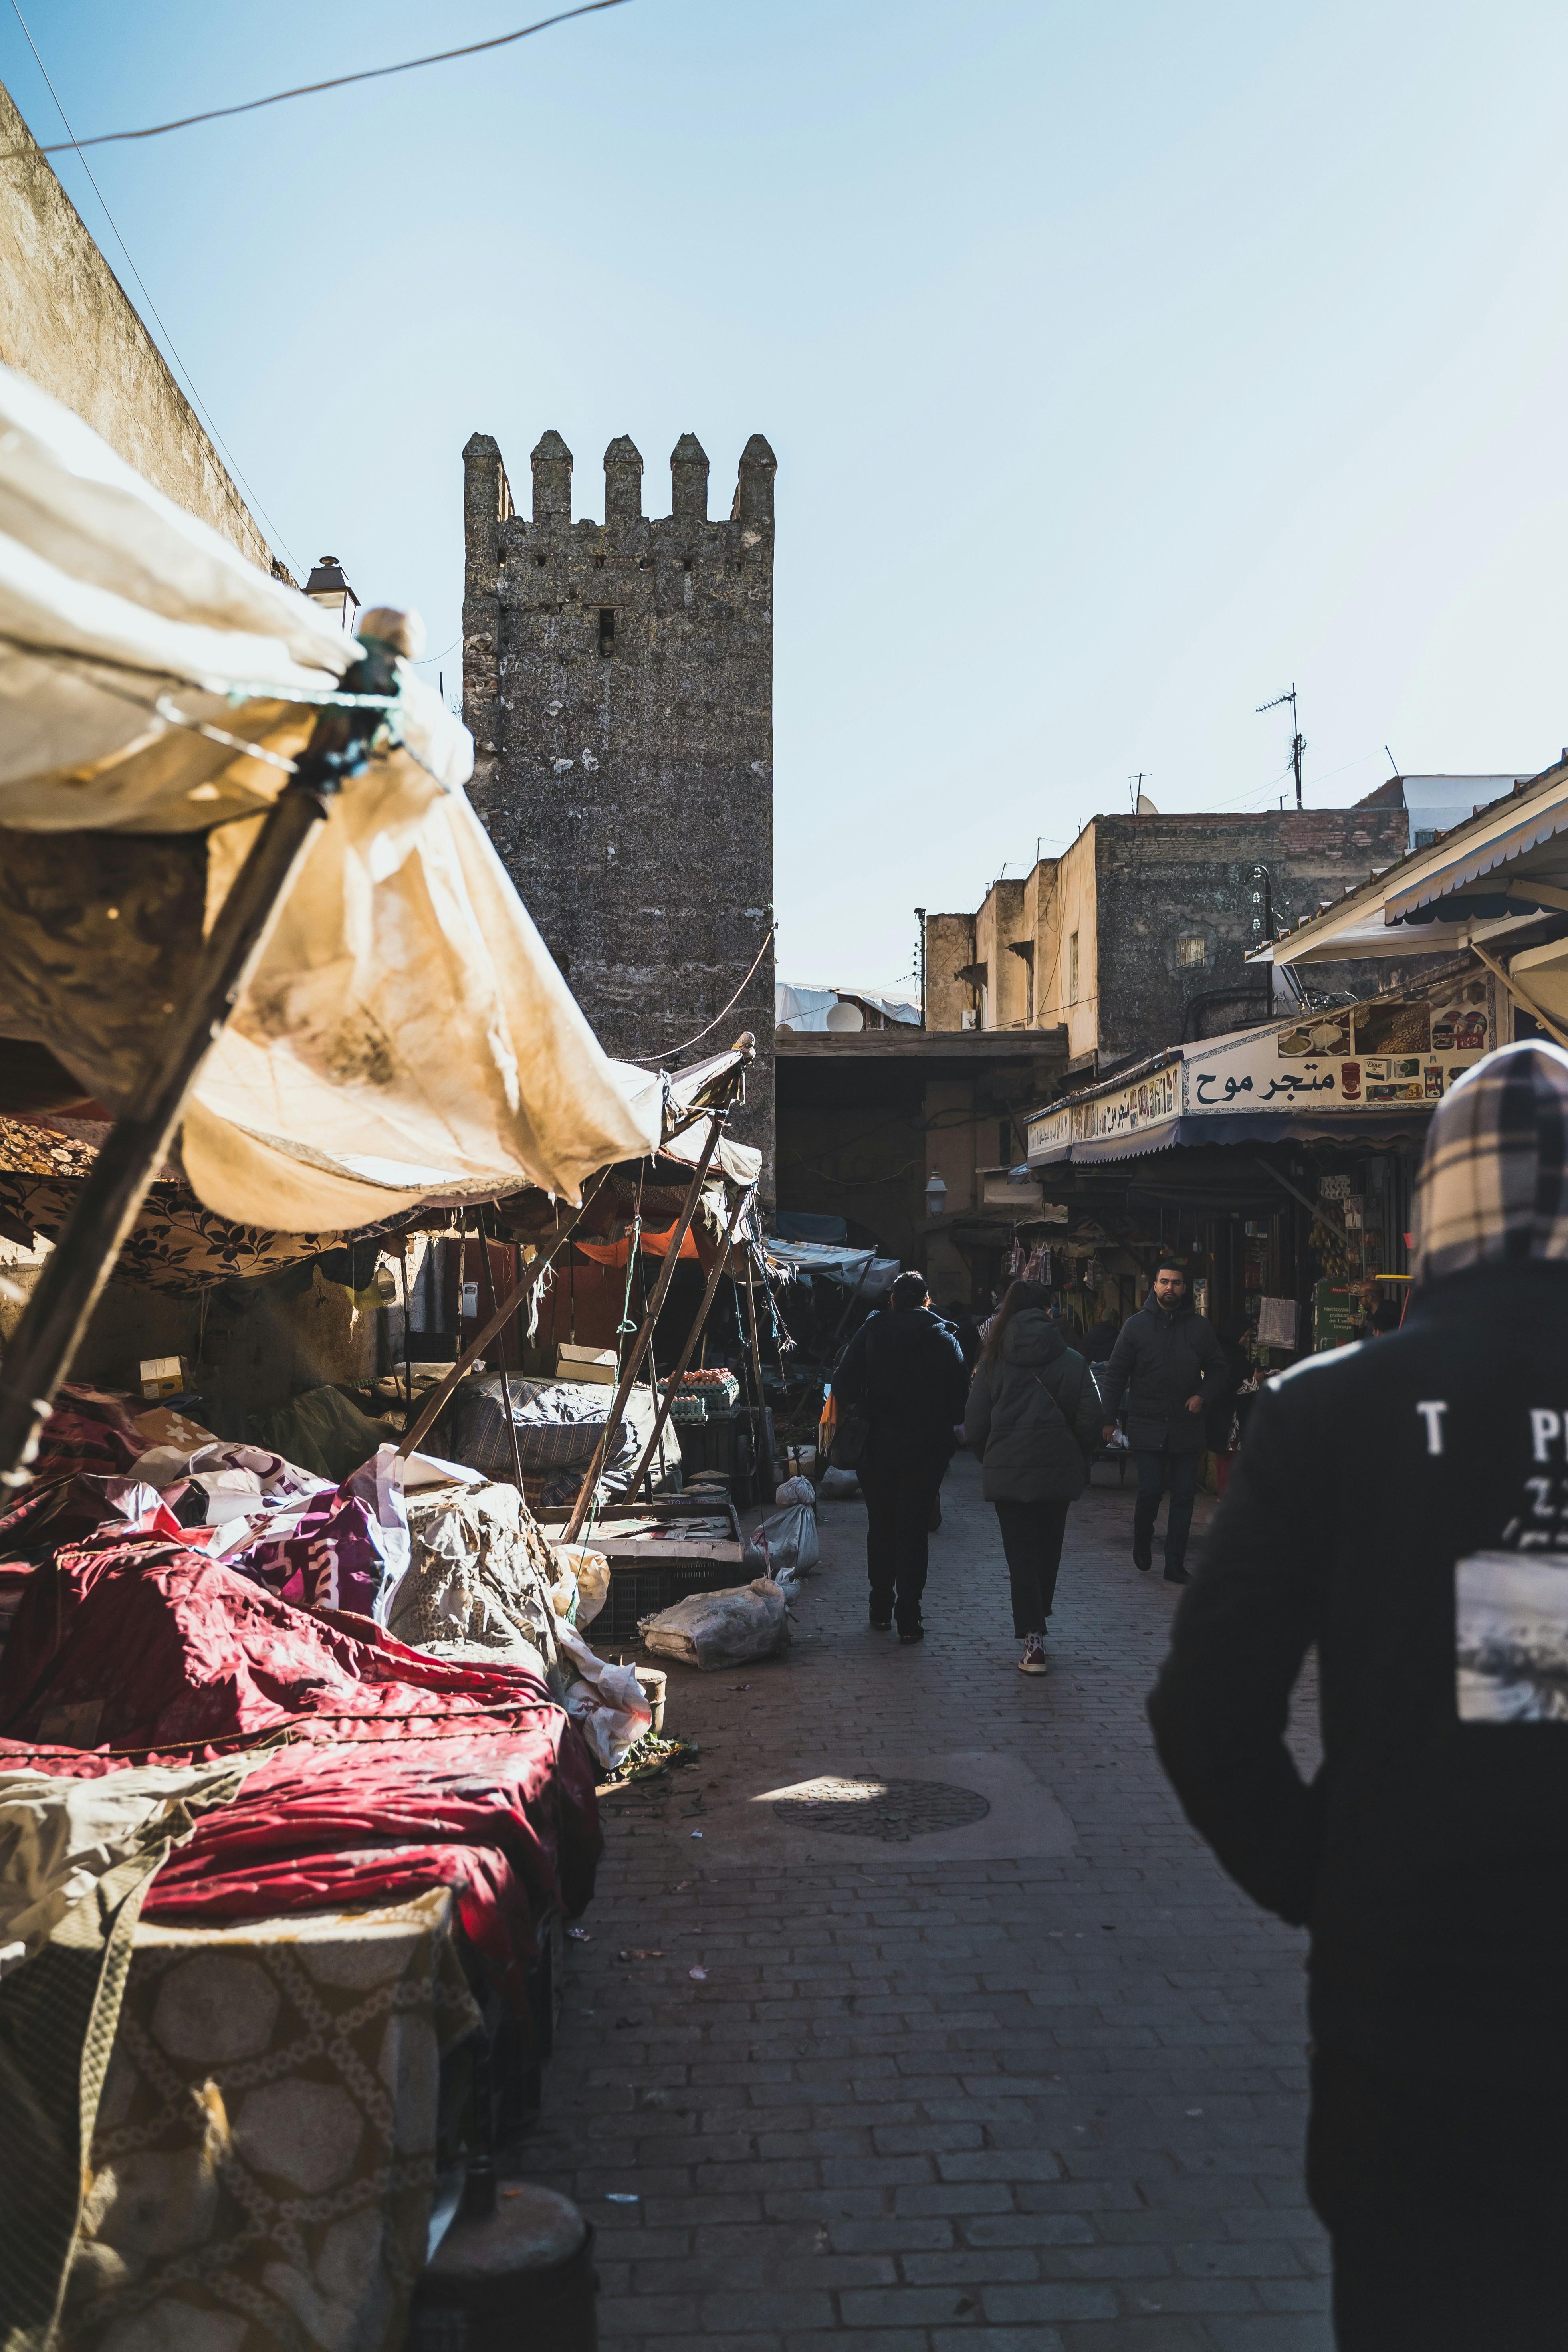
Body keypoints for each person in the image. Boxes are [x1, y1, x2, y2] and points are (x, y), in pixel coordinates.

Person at [1147, 1043, 1568, 2350]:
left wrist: (1328, 1875)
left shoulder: (1331, 1412)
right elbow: (1524, 1677)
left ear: (1426, 1215)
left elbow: (1206, 1715)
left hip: (1418, 2019)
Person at [963, 1280, 1102, 1674]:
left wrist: (990, 1456)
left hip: (1009, 1471)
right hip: (1058, 1469)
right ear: (1048, 1312)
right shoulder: (1073, 1360)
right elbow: (1092, 1417)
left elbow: (975, 1424)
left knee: (1021, 1555)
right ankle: (1040, 1621)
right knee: (1048, 1549)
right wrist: (1081, 1454)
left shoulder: (992, 1360)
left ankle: (1033, 1640)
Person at [832, 1269, 967, 1643]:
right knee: (913, 1531)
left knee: (882, 1526)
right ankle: (909, 1617)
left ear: (892, 1299)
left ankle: (880, 1608)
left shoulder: (871, 1332)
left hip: (876, 1448)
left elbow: (842, 1385)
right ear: (927, 1300)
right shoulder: (945, 1339)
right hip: (926, 1451)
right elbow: (960, 1405)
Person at [1097, 1260, 1225, 1583]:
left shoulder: (1199, 1328)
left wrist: (1202, 1395)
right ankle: (1142, 1538)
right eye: (1164, 1281)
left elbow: (1218, 1368)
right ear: (1154, 1286)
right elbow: (1114, 1375)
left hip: (1186, 1425)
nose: (1170, 1287)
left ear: (1185, 1288)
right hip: (1148, 1423)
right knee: (1150, 1490)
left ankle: (1174, 1562)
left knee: (1184, 1496)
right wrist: (1108, 1420)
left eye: (1177, 1282)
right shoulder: (1136, 1326)